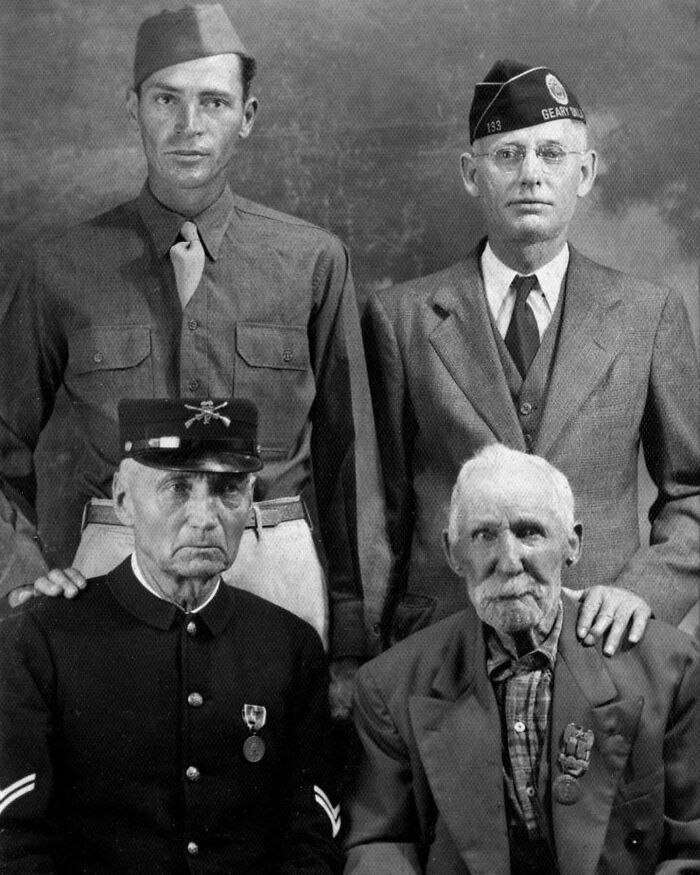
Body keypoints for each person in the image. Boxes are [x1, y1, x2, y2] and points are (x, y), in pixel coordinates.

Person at [0, 3, 383, 664]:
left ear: (248, 116)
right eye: (165, 100)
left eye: (213, 103)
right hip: (116, 559)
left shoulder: (313, 261)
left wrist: (352, 626)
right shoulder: (60, 265)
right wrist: (22, 570)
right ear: (133, 108)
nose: (188, 127)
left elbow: (351, 461)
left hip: (271, 562)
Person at [362, 59, 699, 648]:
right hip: (442, 641)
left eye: (552, 153)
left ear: (587, 171)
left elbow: (693, 492)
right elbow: (378, 508)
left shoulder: (649, 315)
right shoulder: (401, 318)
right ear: (471, 173)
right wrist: (369, 646)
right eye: (508, 155)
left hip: (598, 642)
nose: (532, 175)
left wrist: (643, 594)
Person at [0, 397, 342, 873]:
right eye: (178, 488)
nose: (205, 517)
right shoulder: (44, 637)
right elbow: (16, 843)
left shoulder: (291, 647)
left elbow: (311, 841)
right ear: (123, 500)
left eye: (228, 490)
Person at [344, 445, 700, 874]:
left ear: (573, 545)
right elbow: (381, 845)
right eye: (484, 535)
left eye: (529, 532)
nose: (509, 562)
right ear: (453, 552)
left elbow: (691, 848)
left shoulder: (669, 669)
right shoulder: (391, 687)